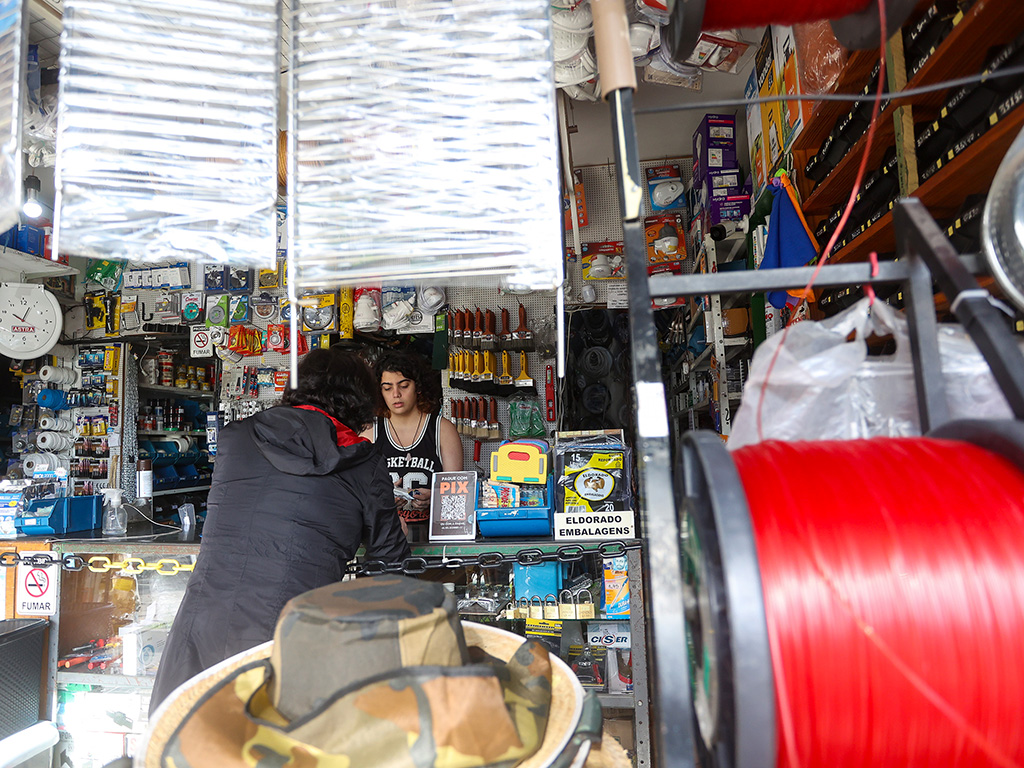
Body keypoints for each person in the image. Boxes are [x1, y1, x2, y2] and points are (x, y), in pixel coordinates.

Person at [149, 348, 410, 712]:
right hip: (290, 639)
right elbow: (389, 564)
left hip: (203, 628)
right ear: (360, 401)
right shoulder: (363, 462)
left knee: (194, 742)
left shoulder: (237, 439)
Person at [360, 350, 463, 531]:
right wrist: (382, 500)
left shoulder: (442, 430)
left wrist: (435, 498)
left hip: (435, 536)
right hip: (386, 537)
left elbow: (457, 495)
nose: (396, 394)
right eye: (387, 388)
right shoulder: (370, 432)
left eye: (404, 385)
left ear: (418, 387)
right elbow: (358, 494)